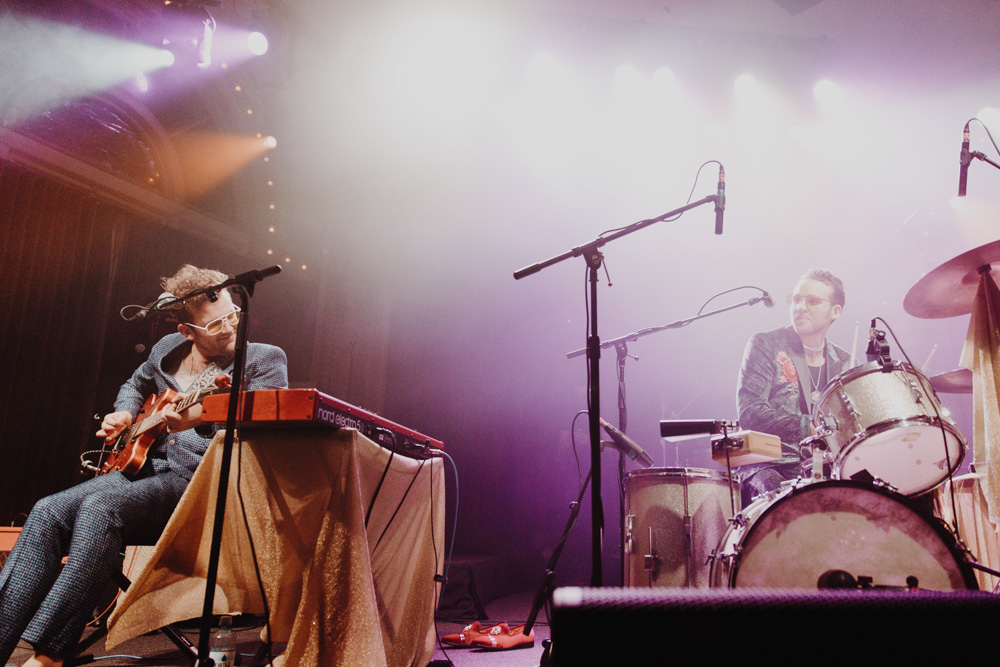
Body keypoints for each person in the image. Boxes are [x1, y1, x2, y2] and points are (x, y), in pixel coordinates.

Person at [0, 265, 288, 667]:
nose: (229, 327)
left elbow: (263, 419)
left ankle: (48, 654)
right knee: (48, 511)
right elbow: (135, 385)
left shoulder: (263, 358)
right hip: (142, 467)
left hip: (200, 480)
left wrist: (205, 416)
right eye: (215, 324)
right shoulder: (167, 349)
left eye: (232, 315)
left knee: (101, 510)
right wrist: (123, 414)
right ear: (187, 331)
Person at [736, 268, 853, 506]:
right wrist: (807, 427)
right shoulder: (765, 344)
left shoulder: (845, 362)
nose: (800, 306)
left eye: (812, 301)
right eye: (796, 299)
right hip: (770, 464)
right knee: (788, 503)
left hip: (826, 468)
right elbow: (750, 411)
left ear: (835, 311)